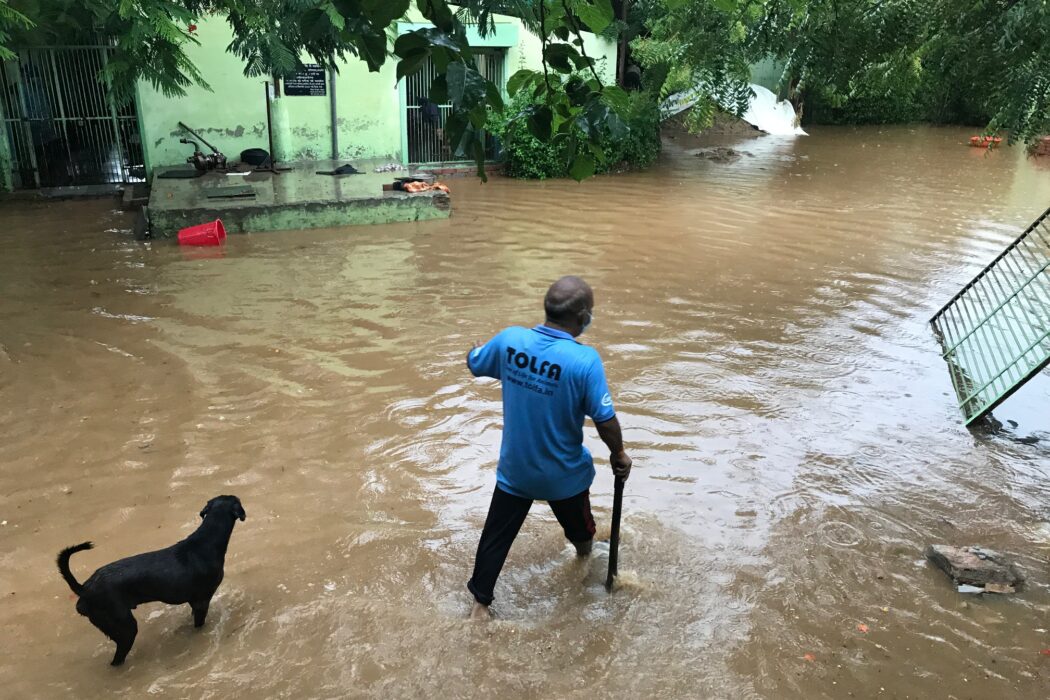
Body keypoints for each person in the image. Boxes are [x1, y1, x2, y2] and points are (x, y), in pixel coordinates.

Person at [464, 275, 632, 619]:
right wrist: (619, 454)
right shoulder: (584, 361)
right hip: (563, 476)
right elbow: (605, 420)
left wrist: (476, 348)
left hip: (516, 472)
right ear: (582, 315)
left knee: (495, 538)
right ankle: (585, 557)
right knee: (582, 534)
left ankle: (480, 606)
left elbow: (475, 362)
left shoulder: (511, 340)